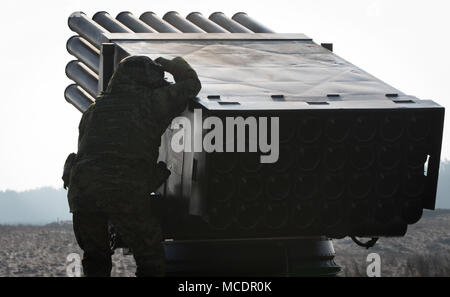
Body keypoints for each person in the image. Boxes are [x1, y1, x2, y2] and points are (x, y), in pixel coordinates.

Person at [63, 55, 201, 277]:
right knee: (150, 259)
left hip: (83, 193)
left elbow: (85, 150)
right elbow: (192, 85)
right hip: (124, 191)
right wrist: (173, 63)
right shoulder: (152, 102)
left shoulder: (93, 110)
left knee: (95, 261)